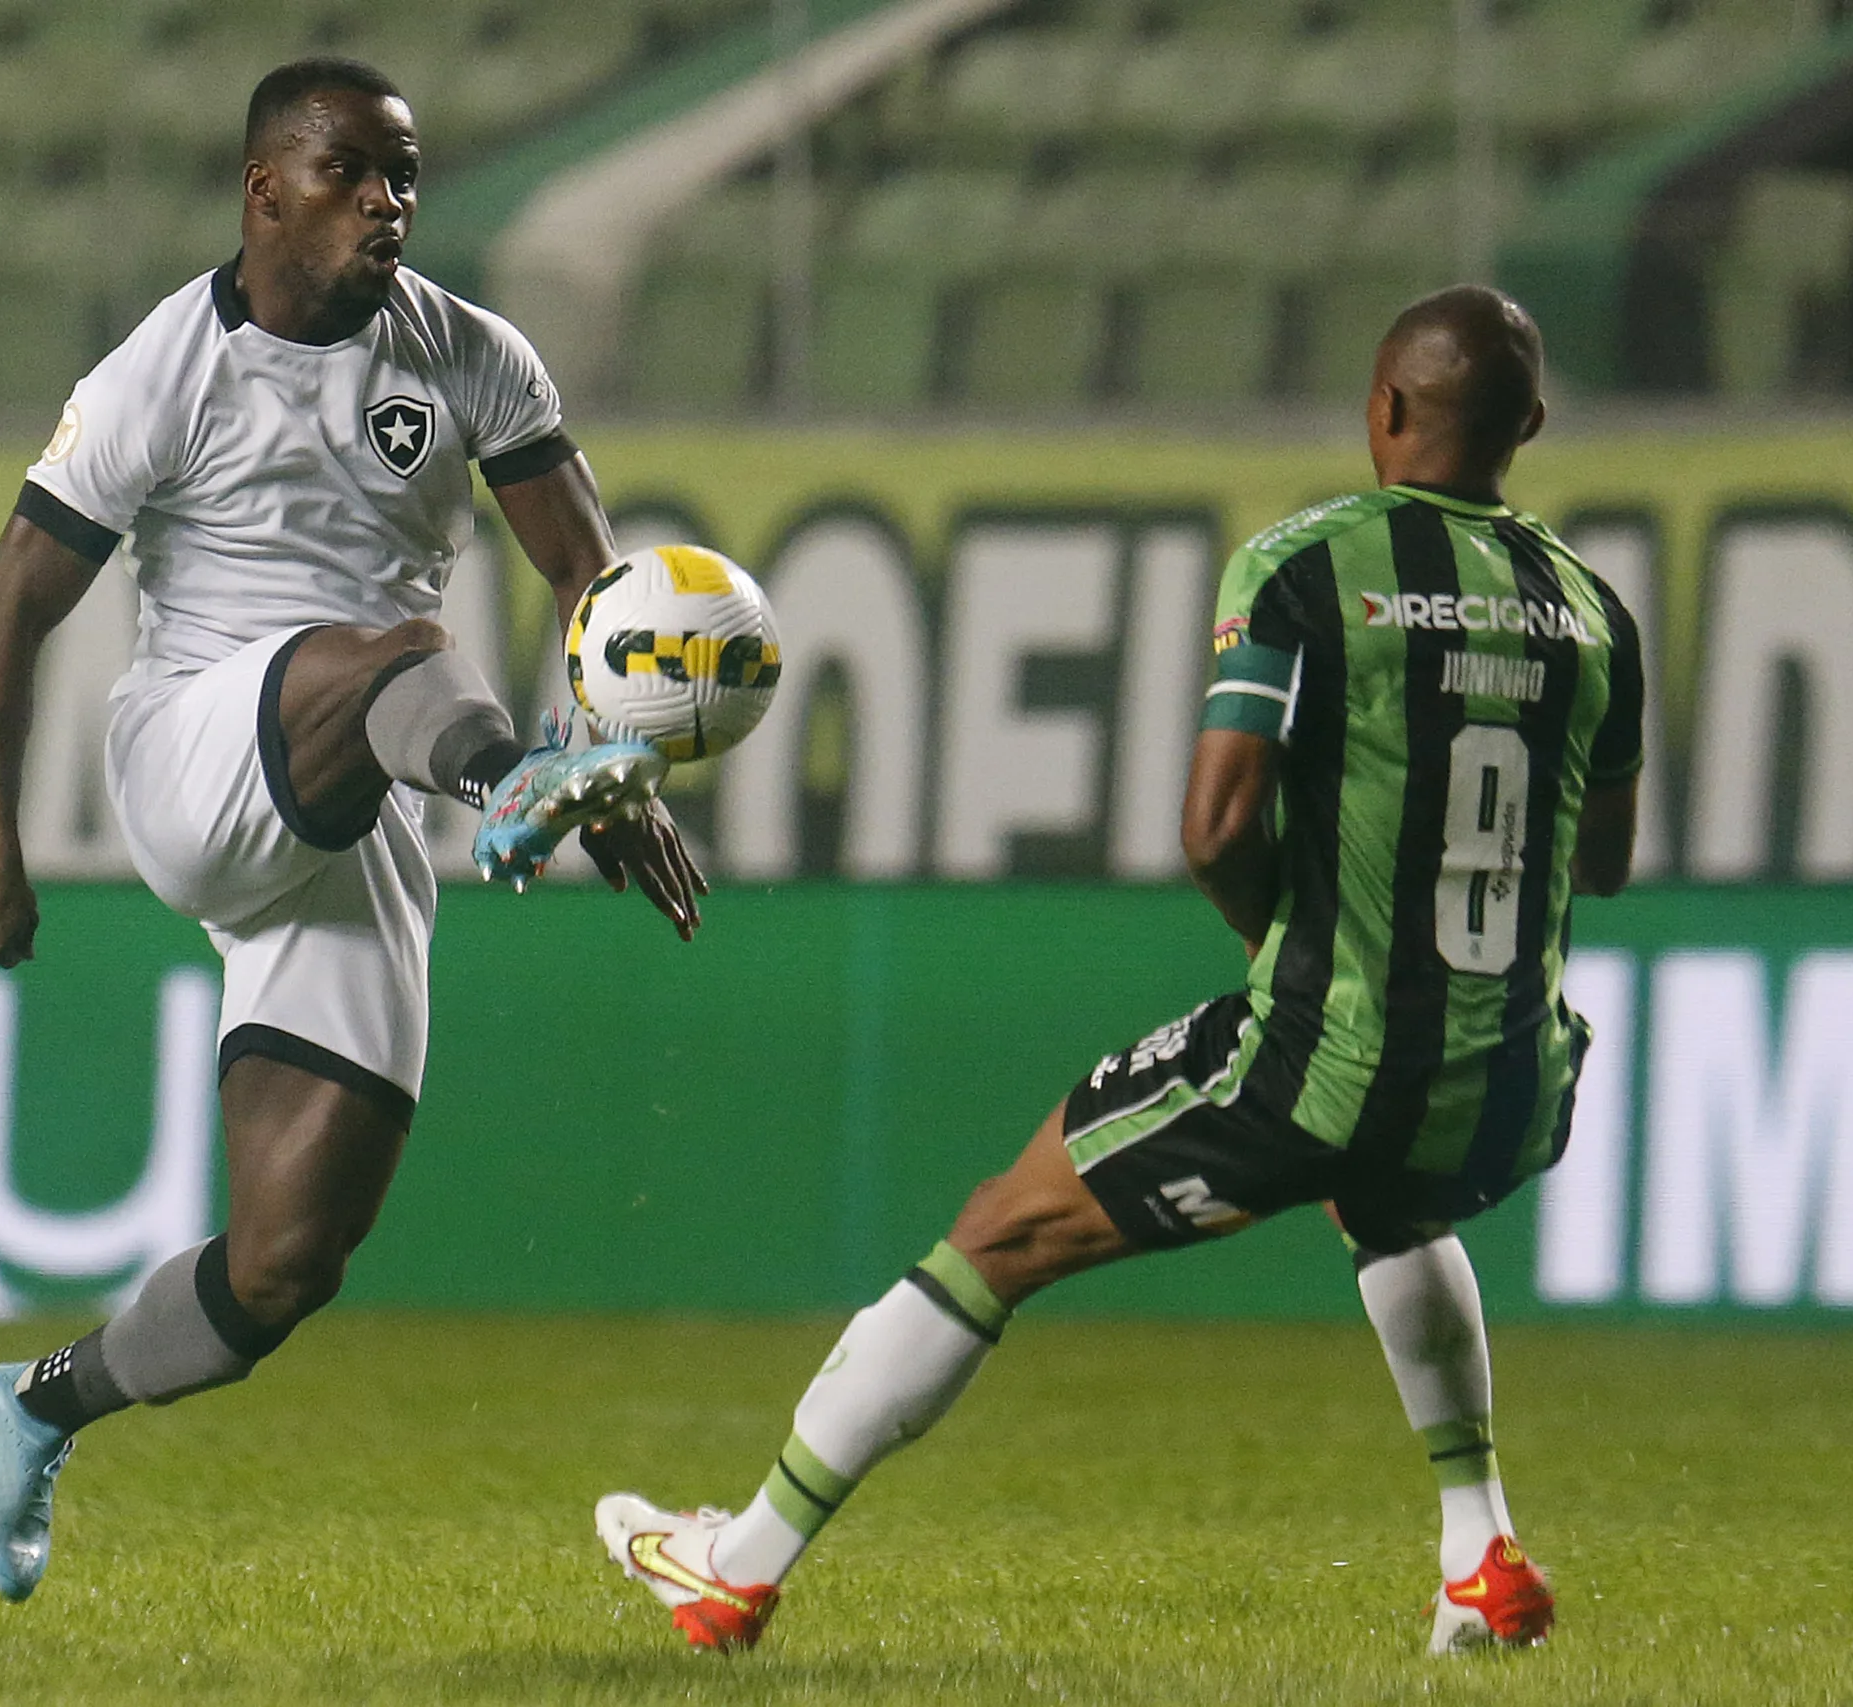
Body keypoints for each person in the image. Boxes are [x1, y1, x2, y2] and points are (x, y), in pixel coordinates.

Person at [595, 285, 1642, 1657]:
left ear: (1383, 408)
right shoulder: (1593, 608)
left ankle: (737, 1563)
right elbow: (1603, 862)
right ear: (1532, 426)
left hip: (1334, 1046)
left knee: (998, 1232)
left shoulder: (1305, 566)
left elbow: (1214, 828)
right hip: (1516, 1083)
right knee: (1389, 1199)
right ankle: (1478, 1549)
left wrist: (1296, 947)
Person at [0, 56, 706, 1603]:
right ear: (265, 189)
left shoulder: (473, 356)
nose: (390, 204)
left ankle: (34, 1404)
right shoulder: (162, 372)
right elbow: (5, 617)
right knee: (395, 648)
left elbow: (588, 577)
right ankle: (510, 789)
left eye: (406, 176)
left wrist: (613, 742)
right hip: (199, 759)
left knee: (286, 1262)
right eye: (354, 173)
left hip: (360, 810)